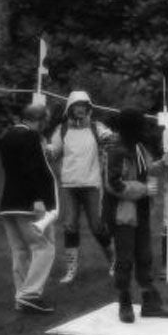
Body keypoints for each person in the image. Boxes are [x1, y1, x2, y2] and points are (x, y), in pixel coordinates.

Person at [102, 109, 168, 323]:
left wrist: (162, 163)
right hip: (121, 213)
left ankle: (150, 301)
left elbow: (148, 170)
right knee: (124, 259)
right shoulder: (117, 151)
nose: (144, 130)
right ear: (130, 128)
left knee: (144, 256)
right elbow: (113, 184)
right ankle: (124, 302)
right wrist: (143, 189)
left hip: (141, 210)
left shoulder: (139, 148)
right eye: (140, 126)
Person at [44, 91, 114, 286]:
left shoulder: (96, 127)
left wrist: (109, 138)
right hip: (69, 185)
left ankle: (114, 260)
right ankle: (71, 270)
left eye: (83, 105)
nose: (80, 108)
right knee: (69, 226)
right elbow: (53, 152)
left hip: (91, 184)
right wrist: (46, 148)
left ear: (88, 107)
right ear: (70, 108)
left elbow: (108, 137)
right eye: (77, 105)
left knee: (97, 226)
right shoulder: (62, 129)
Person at [0, 97, 58, 315]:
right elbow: (36, 170)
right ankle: (30, 295)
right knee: (44, 247)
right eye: (46, 122)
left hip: (8, 203)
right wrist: (43, 200)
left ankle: (21, 296)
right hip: (28, 202)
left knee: (19, 250)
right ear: (40, 121)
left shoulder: (7, 135)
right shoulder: (31, 136)